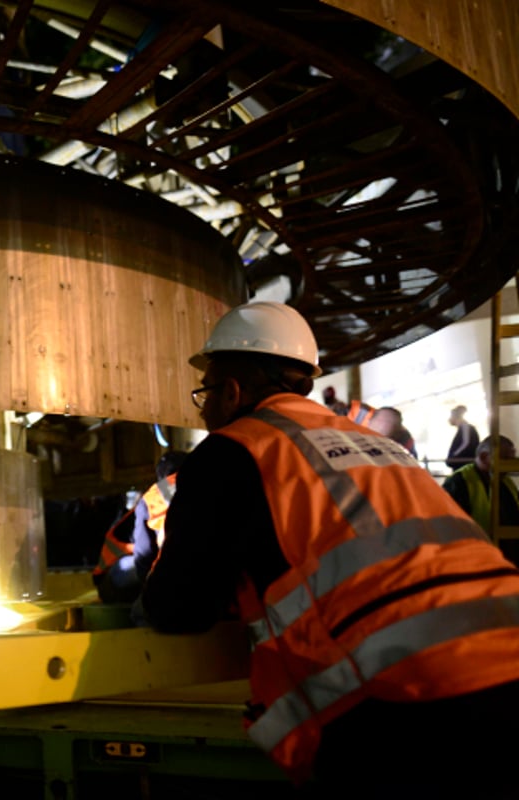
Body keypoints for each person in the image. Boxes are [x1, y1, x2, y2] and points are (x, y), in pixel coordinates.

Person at [135, 300, 519, 797]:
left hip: (409, 702)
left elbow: (180, 607)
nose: (204, 407)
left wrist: (140, 604)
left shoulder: (234, 450)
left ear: (230, 392)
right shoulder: (375, 444)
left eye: (204, 392)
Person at [92, 450, 188, 603]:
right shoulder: (160, 496)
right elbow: (143, 556)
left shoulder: (157, 495)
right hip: (112, 579)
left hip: (124, 576)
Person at [443, 436, 519, 564]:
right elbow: (449, 529)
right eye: (505, 459)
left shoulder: (505, 480)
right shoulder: (459, 482)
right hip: (474, 559)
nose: (509, 465)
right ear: (484, 457)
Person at [446, 404, 480, 469]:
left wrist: (455, 455)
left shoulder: (465, 427)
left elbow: (466, 443)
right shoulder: (463, 428)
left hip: (465, 461)